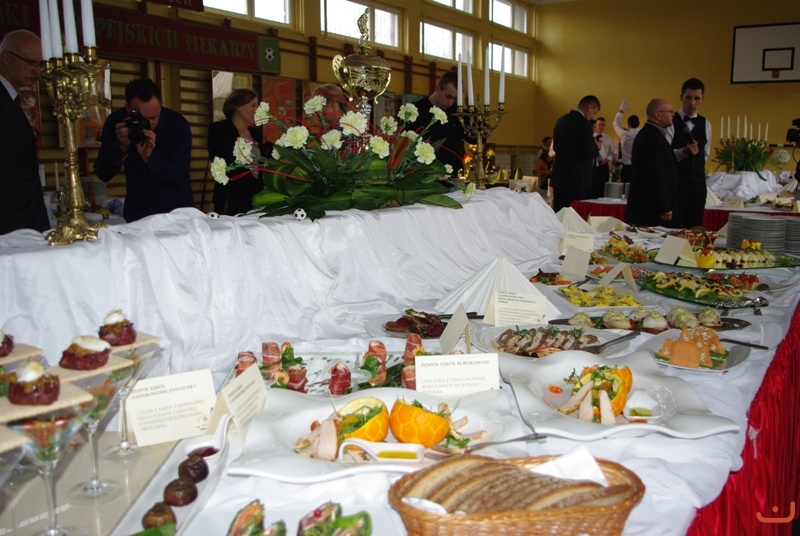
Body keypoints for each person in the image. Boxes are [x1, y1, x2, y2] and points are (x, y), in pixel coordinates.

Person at [94, 77, 193, 222]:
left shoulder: (176, 123)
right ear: (127, 109)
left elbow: (181, 177)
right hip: (138, 212)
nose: (149, 124)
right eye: (141, 118)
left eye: (153, 117)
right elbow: (103, 174)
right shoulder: (117, 122)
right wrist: (121, 147)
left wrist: (151, 157)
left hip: (175, 212)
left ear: (161, 105)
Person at [0, 30, 49, 234]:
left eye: (40, 64)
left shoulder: (11, 99)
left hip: (24, 219)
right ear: (6, 58)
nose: (37, 71)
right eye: (31, 63)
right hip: (10, 223)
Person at [207, 88, 272, 216]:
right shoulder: (220, 130)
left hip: (256, 200)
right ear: (238, 106)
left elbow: (261, 165)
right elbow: (226, 162)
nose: (256, 110)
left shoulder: (255, 133)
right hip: (232, 198)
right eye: (253, 105)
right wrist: (255, 187)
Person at [404, 71, 472, 177]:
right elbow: (405, 146)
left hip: (453, 176)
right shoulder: (416, 110)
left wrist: (471, 106)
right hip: (423, 176)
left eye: (455, 99)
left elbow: (475, 138)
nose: (451, 103)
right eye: (448, 97)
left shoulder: (457, 113)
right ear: (438, 89)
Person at [625, 99, 680, 227]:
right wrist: (664, 206)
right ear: (658, 115)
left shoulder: (652, 134)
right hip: (652, 210)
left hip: (651, 207)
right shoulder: (651, 138)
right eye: (670, 111)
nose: (673, 115)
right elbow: (655, 174)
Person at [550, 95, 601, 212]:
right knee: (574, 216)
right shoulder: (584, 124)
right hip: (577, 179)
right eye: (594, 112)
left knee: (559, 212)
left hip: (560, 176)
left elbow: (556, 147)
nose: (592, 116)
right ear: (589, 108)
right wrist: (596, 146)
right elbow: (587, 152)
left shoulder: (561, 121)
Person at [668, 77, 707, 228]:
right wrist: (683, 152)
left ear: (702, 99)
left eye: (697, 98)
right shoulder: (670, 122)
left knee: (695, 230)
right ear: (681, 97)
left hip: (697, 187)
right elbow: (666, 156)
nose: (692, 102)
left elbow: (705, 155)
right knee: (673, 229)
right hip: (676, 186)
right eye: (688, 97)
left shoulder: (706, 124)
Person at [612, 99, 641, 183]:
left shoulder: (624, 134)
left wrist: (621, 110)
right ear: (639, 124)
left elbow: (615, 123)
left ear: (628, 124)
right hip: (639, 167)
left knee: (625, 188)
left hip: (627, 168)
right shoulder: (642, 134)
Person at [590, 117, 615, 198]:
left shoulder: (608, 138)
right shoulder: (591, 137)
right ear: (595, 126)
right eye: (599, 125)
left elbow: (612, 152)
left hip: (604, 165)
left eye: (603, 125)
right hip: (593, 165)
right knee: (593, 187)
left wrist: (607, 159)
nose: (601, 127)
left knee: (603, 186)